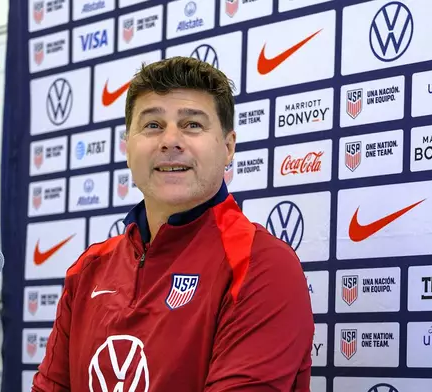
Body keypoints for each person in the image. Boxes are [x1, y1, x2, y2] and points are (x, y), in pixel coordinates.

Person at [31, 56, 315, 391]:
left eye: (192, 124)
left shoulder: (261, 265)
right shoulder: (87, 270)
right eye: (152, 125)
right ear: (127, 147)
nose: (170, 140)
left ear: (228, 148)